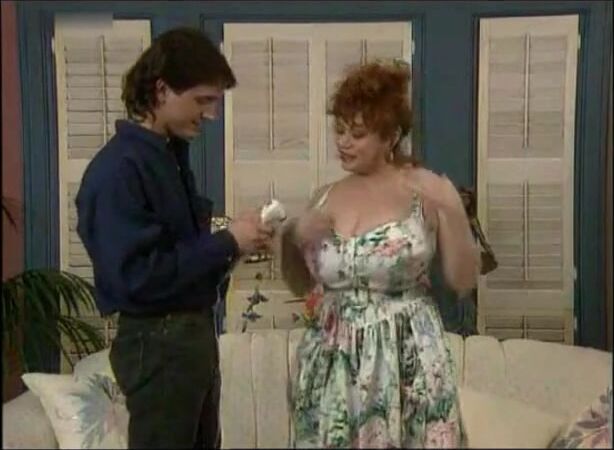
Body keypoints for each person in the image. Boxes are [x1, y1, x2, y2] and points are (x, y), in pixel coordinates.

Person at [75, 27, 273, 449]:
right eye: (203, 100)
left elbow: (179, 255)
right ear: (162, 90)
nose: (212, 115)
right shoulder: (118, 170)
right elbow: (138, 278)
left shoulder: (168, 156)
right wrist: (227, 241)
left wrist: (237, 243)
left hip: (188, 339)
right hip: (158, 342)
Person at [280, 60, 479, 448]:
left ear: (391, 137)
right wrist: (293, 236)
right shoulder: (323, 196)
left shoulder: (422, 192)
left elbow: (463, 280)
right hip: (331, 362)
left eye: (357, 134)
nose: (343, 142)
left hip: (406, 360)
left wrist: (454, 211)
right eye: (339, 130)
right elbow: (300, 284)